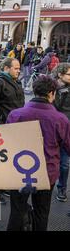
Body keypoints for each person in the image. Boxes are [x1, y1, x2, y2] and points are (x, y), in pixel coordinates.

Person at [6, 75, 70, 231]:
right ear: (52, 93)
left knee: (16, 211)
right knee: (42, 212)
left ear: (34, 91)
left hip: (18, 171)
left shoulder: (16, 115)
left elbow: (6, 143)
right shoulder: (60, 119)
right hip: (46, 173)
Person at [52, 63, 70, 203]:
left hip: (67, 130)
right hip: (52, 130)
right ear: (60, 74)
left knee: (64, 162)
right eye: (69, 74)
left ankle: (62, 187)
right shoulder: (51, 88)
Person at [0, 58, 25, 124]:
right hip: (4, 123)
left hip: (16, 121)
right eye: (16, 68)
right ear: (6, 68)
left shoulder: (17, 82)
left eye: (19, 69)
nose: (19, 71)